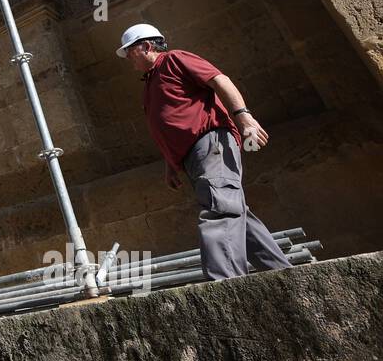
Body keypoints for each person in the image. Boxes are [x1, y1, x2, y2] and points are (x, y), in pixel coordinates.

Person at [117, 23, 292, 281]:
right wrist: (171, 162)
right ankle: (285, 277)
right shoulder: (151, 81)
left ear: (146, 46)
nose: (129, 59)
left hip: (211, 143)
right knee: (237, 216)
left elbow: (219, 79)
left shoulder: (174, 59)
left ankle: (225, 284)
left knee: (219, 210)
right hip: (192, 156)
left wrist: (244, 117)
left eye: (130, 52)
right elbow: (169, 123)